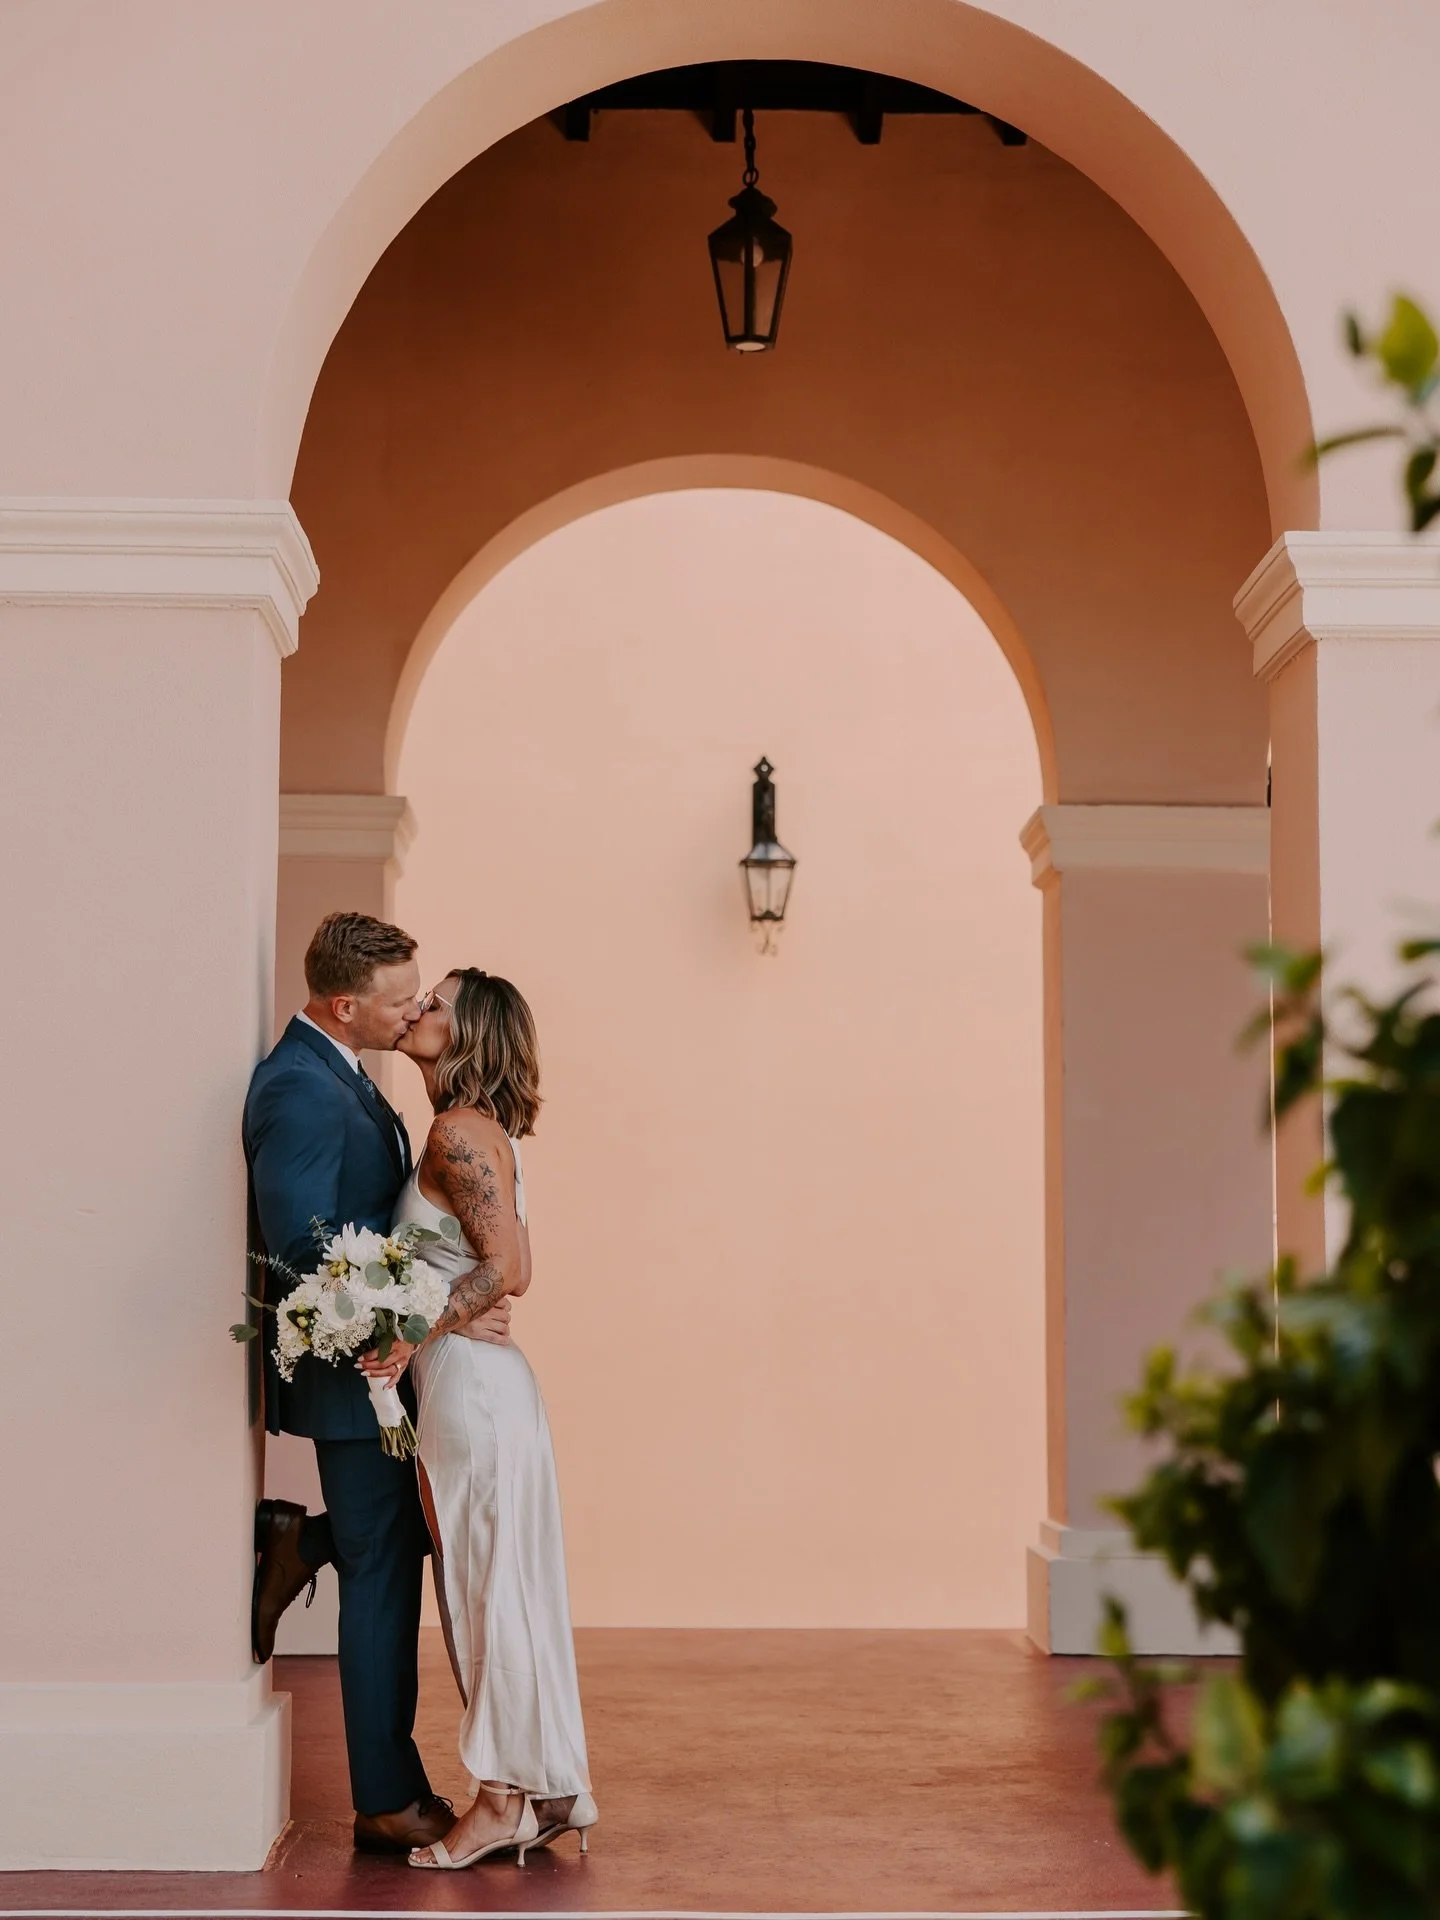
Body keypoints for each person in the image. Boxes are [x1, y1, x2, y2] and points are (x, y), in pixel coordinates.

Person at [243, 913, 510, 1855]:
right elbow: (302, 1246)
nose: (414, 1013)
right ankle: (387, 1798)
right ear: (345, 1004)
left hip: (386, 1367)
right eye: (401, 1001)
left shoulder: (341, 1075)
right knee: (386, 1573)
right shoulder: (301, 1090)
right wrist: (423, 1311)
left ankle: (301, 1540)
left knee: (394, 1548)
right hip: (356, 1373)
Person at [388, 968, 596, 1871]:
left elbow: (503, 1270)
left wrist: (410, 1327)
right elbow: (518, 1270)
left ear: (468, 1032)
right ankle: (546, 1790)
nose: (419, 1008)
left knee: (482, 1591)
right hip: (489, 1386)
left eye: (436, 1002)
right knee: (504, 1585)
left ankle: (499, 1799)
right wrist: (459, 1300)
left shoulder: (456, 1132)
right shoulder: (491, 1133)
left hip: (472, 1392)